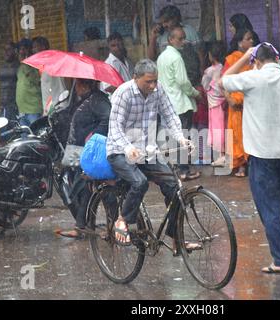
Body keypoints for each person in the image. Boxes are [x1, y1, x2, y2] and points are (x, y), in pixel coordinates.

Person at [221, 43, 280, 273]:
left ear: (257, 61)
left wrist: (245, 55)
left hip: (262, 155)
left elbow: (224, 79)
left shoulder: (251, 77)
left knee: (270, 207)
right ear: (278, 58)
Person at [106, 59, 199, 252]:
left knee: (174, 186)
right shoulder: (123, 93)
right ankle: (122, 220)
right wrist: (128, 147)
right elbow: (115, 128)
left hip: (147, 151)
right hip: (119, 151)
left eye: (155, 81)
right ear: (135, 78)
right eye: (148, 82)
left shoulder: (158, 91)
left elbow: (170, 115)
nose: (153, 85)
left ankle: (176, 239)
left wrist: (181, 138)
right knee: (140, 183)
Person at [58, 79, 113, 239]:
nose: (76, 89)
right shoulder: (85, 100)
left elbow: (108, 119)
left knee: (89, 186)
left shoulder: (97, 99)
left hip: (89, 152)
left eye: (79, 85)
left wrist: (94, 136)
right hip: (77, 150)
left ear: (86, 85)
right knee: (82, 188)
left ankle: (105, 225)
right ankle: (82, 225)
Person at [157, 26, 201, 181]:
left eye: (183, 38)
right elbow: (183, 82)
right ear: (171, 39)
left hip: (168, 103)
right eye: (180, 38)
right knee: (183, 135)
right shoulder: (176, 57)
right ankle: (184, 170)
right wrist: (196, 94)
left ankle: (177, 168)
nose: (183, 41)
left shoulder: (162, 57)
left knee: (174, 137)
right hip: (180, 103)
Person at [223, 28, 254, 177]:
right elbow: (223, 81)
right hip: (235, 105)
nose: (252, 41)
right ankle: (241, 165)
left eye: (252, 39)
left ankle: (250, 164)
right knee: (237, 134)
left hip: (249, 102)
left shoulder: (255, 60)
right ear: (240, 43)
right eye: (248, 39)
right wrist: (230, 99)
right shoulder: (232, 59)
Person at [148, 5, 205, 82]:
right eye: (162, 23)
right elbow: (151, 58)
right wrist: (153, 37)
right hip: (168, 80)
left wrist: (202, 74)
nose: (164, 25)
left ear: (175, 19)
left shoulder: (190, 31)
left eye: (167, 21)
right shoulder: (161, 35)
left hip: (189, 78)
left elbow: (200, 54)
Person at [202, 41, 227, 167]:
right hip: (223, 102)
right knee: (223, 128)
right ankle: (223, 154)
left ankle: (221, 155)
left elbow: (205, 85)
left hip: (214, 105)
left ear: (210, 55)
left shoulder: (209, 71)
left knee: (217, 129)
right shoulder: (224, 68)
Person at [32, 36, 68, 116]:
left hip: (56, 108)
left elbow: (58, 88)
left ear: (43, 47)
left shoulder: (52, 64)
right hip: (50, 109)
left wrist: (55, 108)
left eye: (35, 47)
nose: (33, 50)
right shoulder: (44, 66)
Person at [16, 38, 43, 127]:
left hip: (33, 109)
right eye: (20, 49)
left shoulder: (35, 65)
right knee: (25, 138)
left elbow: (37, 81)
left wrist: (25, 63)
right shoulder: (21, 67)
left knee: (35, 136)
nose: (21, 52)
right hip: (22, 110)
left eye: (24, 49)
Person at [0, 41, 20, 141]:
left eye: (9, 50)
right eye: (4, 50)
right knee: (3, 134)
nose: (6, 52)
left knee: (15, 134)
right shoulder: (3, 67)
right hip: (4, 106)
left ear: (15, 51)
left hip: (15, 106)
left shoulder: (19, 67)